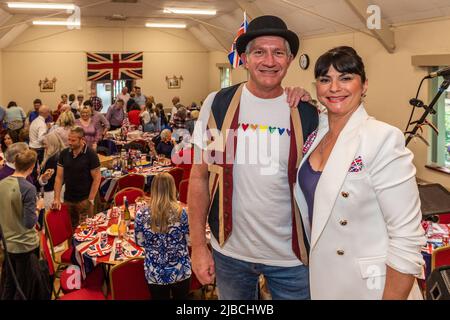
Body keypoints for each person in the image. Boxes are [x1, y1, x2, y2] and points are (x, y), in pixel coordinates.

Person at [188, 15, 317, 300]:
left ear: (290, 58)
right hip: (230, 253)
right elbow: (199, 176)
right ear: (244, 58)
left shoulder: (308, 113)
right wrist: (198, 246)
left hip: (293, 258)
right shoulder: (217, 104)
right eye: (259, 51)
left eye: (278, 52)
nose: (269, 61)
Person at [293, 46, 425, 300]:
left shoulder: (382, 138)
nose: (334, 88)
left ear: (364, 85)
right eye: (325, 80)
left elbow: (406, 238)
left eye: (345, 78)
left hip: (370, 286)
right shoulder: (317, 134)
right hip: (324, 278)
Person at [0, 149, 49, 300]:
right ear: (32, 167)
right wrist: (39, 207)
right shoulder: (28, 188)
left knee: (9, 284)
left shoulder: (2, 184)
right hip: (25, 245)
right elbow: (29, 223)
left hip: (7, 244)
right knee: (24, 287)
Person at [134, 172, 191, 300]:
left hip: (155, 273)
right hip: (180, 271)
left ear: (153, 189)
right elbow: (190, 241)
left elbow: (139, 242)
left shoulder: (141, 214)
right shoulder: (182, 213)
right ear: (173, 188)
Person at [52, 127, 101, 230]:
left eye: (73, 140)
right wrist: (56, 198)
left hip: (85, 199)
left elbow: (97, 178)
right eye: (69, 139)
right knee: (70, 228)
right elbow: (59, 177)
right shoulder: (64, 153)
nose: (69, 142)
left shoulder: (91, 154)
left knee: (87, 229)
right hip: (69, 198)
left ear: (82, 140)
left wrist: (91, 199)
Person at [38, 132, 65, 210]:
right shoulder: (62, 154)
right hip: (60, 190)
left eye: (45, 144)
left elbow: (49, 179)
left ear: (52, 144)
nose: (44, 147)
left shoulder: (52, 159)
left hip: (51, 193)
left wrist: (41, 175)